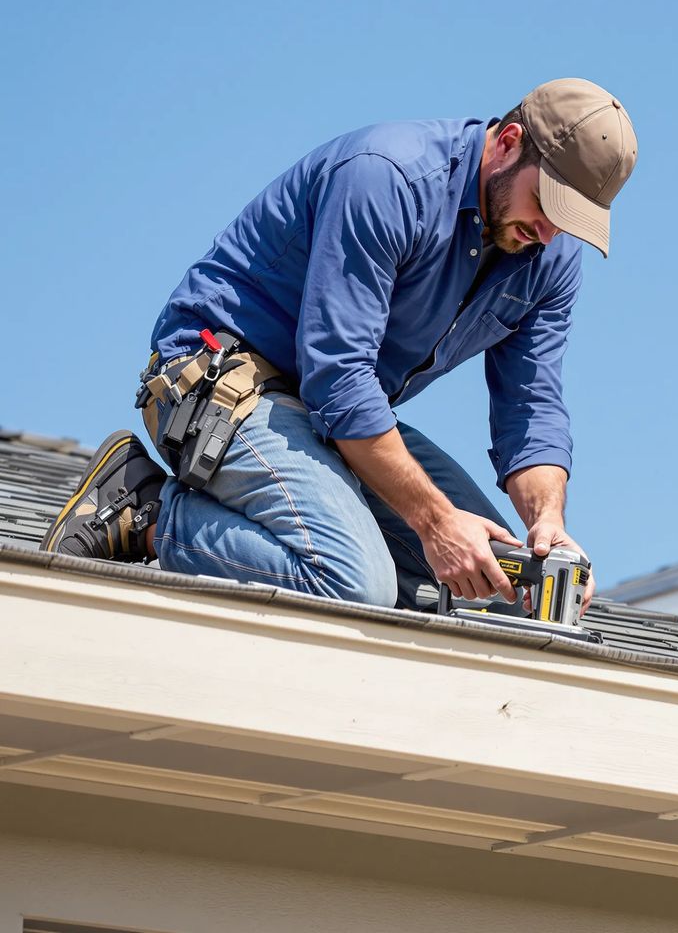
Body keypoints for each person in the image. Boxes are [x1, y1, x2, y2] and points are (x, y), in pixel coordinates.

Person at [42, 78, 637, 614]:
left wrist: (547, 524)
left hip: (331, 413)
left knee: (504, 596)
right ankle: (145, 511)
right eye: (548, 203)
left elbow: (530, 407)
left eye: (574, 219)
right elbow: (341, 376)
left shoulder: (550, 254)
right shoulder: (388, 176)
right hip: (221, 378)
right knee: (353, 585)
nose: (551, 231)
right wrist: (433, 523)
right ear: (507, 143)